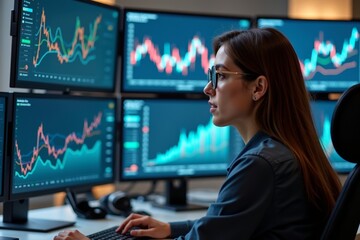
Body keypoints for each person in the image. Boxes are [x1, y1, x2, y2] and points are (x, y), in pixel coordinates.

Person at [54, 28, 342, 240]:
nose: (208, 88)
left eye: (221, 76)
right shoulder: (287, 152)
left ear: (258, 88)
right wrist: (170, 228)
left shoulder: (261, 164)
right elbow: (221, 226)